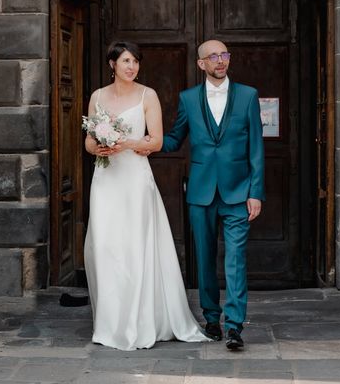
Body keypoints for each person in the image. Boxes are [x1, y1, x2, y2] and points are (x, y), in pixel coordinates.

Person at [83, 41, 210, 351]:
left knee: (135, 245)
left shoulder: (147, 95)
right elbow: (87, 139)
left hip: (135, 179)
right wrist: (98, 146)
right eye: (126, 61)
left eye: (136, 61)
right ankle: (110, 322)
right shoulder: (97, 96)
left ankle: (140, 321)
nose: (132, 67)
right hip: (106, 179)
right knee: (105, 245)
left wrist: (124, 143)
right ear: (112, 63)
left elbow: (156, 141)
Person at [160, 39, 265, 350]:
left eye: (225, 55)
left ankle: (234, 327)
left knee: (235, 260)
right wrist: (139, 140)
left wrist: (255, 191)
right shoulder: (188, 99)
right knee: (204, 260)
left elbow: (256, 147)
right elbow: (175, 139)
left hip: (238, 192)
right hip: (201, 192)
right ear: (201, 63)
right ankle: (211, 318)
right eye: (213, 56)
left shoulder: (248, 96)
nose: (221, 61)